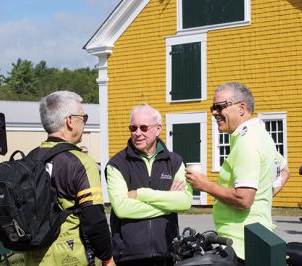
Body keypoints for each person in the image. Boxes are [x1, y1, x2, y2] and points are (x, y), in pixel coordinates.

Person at [185, 82, 276, 262]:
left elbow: (244, 199)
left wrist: (205, 185)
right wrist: (264, 196)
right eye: (213, 107)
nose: (213, 112)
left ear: (241, 108)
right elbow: (284, 170)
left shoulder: (247, 142)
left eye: (219, 107)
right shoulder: (259, 134)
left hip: (242, 244)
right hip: (254, 236)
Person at [25, 91, 114, 266]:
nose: (85, 123)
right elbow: (94, 219)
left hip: (34, 256)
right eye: (84, 117)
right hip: (70, 255)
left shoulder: (30, 159)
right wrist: (107, 258)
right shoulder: (81, 163)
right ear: (70, 121)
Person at [105, 103, 193, 266]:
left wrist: (141, 194)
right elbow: (122, 208)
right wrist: (168, 204)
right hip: (129, 256)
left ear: (158, 129)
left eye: (144, 128)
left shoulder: (175, 162)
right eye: (133, 128)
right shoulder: (116, 164)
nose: (137, 133)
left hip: (167, 253)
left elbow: (185, 202)